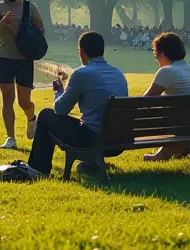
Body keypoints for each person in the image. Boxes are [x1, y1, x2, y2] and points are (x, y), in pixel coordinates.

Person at [27, 31, 128, 177]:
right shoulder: (118, 73)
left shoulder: (82, 73)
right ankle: (91, 164)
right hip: (118, 140)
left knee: (45, 116)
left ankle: (39, 168)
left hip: (93, 139)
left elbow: (61, 110)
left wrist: (59, 91)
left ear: (81, 52)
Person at [0, 0, 45, 149]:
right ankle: (10, 138)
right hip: (4, 57)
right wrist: (3, 22)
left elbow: (41, 28)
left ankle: (31, 118)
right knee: (7, 99)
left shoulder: (29, 7)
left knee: (24, 101)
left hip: (24, 58)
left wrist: (28, 32)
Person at [143, 31, 190, 161]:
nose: (156, 59)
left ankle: (168, 152)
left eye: (155, 54)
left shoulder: (166, 71)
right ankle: (183, 147)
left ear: (162, 54)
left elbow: (144, 101)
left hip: (181, 124)